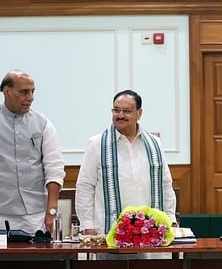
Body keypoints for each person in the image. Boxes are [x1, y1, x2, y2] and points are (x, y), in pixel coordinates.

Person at [0, 70, 65, 235]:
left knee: (41, 261)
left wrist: (51, 211)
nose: (30, 97)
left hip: (35, 215)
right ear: (6, 91)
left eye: (32, 91)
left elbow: (55, 168)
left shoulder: (43, 124)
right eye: (24, 92)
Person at [75, 89, 177, 235]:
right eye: (116, 110)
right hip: (107, 232)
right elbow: (85, 187)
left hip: (149, 231)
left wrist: (170, 218)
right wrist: (87, 225)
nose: (120, 115)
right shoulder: (96, 144)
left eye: (127, 111)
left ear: (139, 113)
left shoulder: (154, 144)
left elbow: (165, 184)